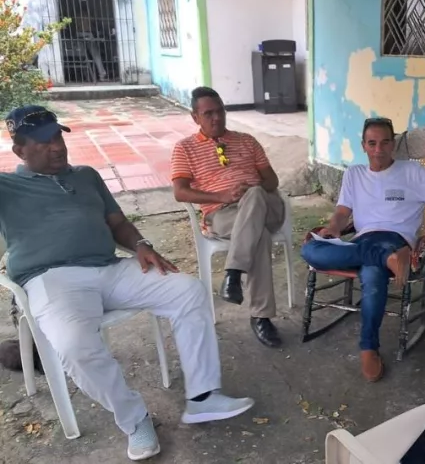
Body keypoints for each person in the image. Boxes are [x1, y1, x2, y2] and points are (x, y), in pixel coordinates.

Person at [0, 106, 254, 461]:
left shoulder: (86, 175)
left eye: (58, 136)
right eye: (44, 142)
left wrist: (141, 244)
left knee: (188, 290)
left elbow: (117, 223)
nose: (57, 146)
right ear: (20, 151)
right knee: (74, 345)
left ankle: (202, 397)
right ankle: (135, 420)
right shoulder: (7, 187)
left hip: (109, 268)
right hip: (52, 280)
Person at [300, 117, 425, 382]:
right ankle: (386, 260)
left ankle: (369, 348)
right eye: (372, 143)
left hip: (395, 240)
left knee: (372, 274)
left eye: (385, 142)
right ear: (363, 145)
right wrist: (333, 227)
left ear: (393, 144)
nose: (379, 149)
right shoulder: (354, 174)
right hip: (363, 241)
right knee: (310, 250)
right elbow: (342, 212)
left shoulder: (411, 171)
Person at [171, 87, 285, 348]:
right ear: (195, 117)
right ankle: (261, 317)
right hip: (222, 214)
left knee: (255, 194)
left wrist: (252, 189)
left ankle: (233, 273)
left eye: (220, 111)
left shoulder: (247, 141)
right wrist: (221, 196)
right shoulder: (185, 148)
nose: (217, 118)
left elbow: (272, 180)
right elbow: (180, 192)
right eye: (208, 113)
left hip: (266, 207)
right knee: (259, 236)